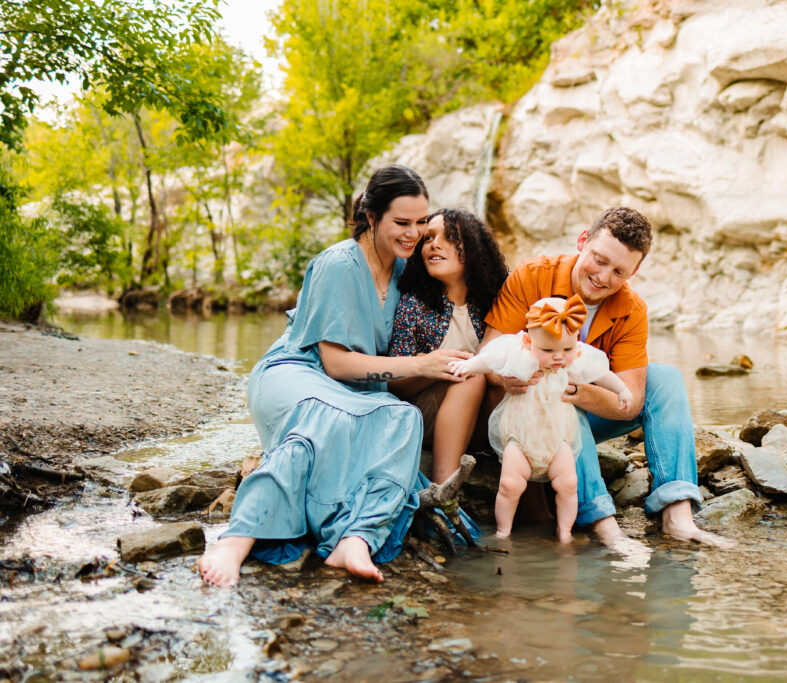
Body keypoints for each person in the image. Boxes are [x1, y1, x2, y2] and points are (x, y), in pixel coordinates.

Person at [198, 165, 475, 587]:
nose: (414, 234)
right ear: (370, 216)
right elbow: (336, 364)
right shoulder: (337, 264)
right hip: (297, 371)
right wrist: (422, 363)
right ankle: (238, 539)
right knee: (319, 420)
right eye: (401, 223)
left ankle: (357, 536)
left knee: (402, 418)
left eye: (421, 222)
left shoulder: (406, 271)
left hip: (358, 389)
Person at [481, 207, 736, 550]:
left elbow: (629, 401)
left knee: (666, 378)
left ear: (636, 270)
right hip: (525, 414)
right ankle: (603, 523)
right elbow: (489, 350)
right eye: (599, 260)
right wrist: (509, 376)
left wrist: (580, 390)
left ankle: (678, 513)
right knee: (563, 400)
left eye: (619, 271)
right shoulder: (532, 275)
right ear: (582, 241)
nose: (603, 277)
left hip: (584, 404)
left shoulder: (633, 309)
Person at [451, 295, 632, 543]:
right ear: (528, 342)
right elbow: (491, 359)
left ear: (576, 343)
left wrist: (621, 389)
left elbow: (602, 374)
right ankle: (503, 531)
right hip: (520, 436)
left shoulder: (574, 360)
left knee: (568, 483)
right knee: (510, 485)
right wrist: (470, 366)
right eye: (548, 350)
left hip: (558, 438)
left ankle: (565, 532)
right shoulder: (520, 355)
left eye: (567, 349)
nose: (558, 357)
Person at [387, 208, 508, 484]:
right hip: (423, 415)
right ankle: (443, 488)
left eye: (450, 236)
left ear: (475, 248)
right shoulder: (414, 304)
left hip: (481, 419)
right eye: (427, 238)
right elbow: (393, 384)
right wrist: (430, 368)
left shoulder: (493, 301)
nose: (434, 244)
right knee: (470, 375)